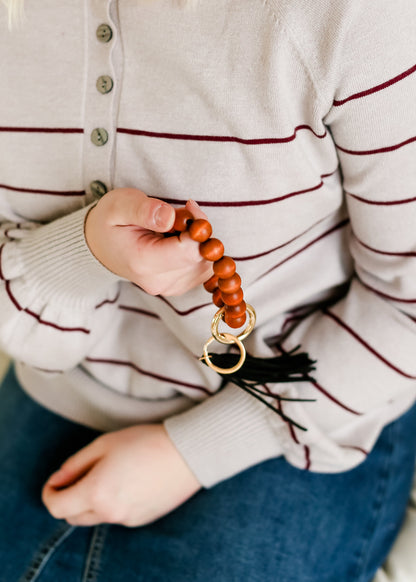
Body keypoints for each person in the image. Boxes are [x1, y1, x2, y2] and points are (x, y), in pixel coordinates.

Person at [1, 0, 416, 580]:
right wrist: (86, 248)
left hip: (316, 406)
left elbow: (408, 309)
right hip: (58, 386)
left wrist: (191, 453)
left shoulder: (355, 16)